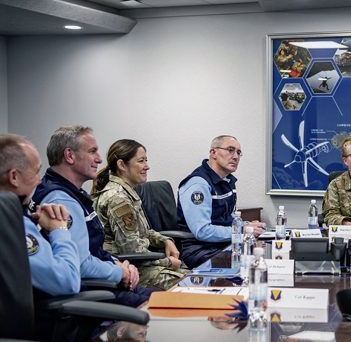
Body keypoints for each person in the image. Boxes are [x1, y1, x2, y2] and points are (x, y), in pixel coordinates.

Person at [32, 126, 151, 307]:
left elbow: (94, 249)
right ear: (70, 156)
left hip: (105, 284)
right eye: (92, 151)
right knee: (164, 305)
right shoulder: (61, 200)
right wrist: (120, 272)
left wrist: (118, 263)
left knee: (169, 299)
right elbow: (81, 264)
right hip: (92, 292)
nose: (100, 159)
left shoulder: (74, 194)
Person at [92, 139, 187, 290]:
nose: (147, 166)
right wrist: (168, 262)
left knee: (195, 280)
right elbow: (132, 251)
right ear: (122, 165)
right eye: (141, 161)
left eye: (146, 160)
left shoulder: (126, 193)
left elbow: (144, 232)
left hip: (142, 265)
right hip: (132, 270)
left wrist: (165, 241)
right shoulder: (118, 199)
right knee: (189, 284)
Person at [0, 134, 80, 297]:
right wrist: (59, 229)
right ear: (14, 177)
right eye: (36, 172)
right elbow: (68, 281)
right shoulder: (14, 225)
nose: (39, 181)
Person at [177, 135, 265, 268]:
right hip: (199, 249)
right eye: (230, 150)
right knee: (251, 265)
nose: (236, 157)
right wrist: (242, 230)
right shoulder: (198, 185)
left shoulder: (227, 181)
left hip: (222, 245)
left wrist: (249, 226)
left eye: (238, 152)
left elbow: (227, 218)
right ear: (214, 153)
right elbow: (202, 231)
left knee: (262, 254)